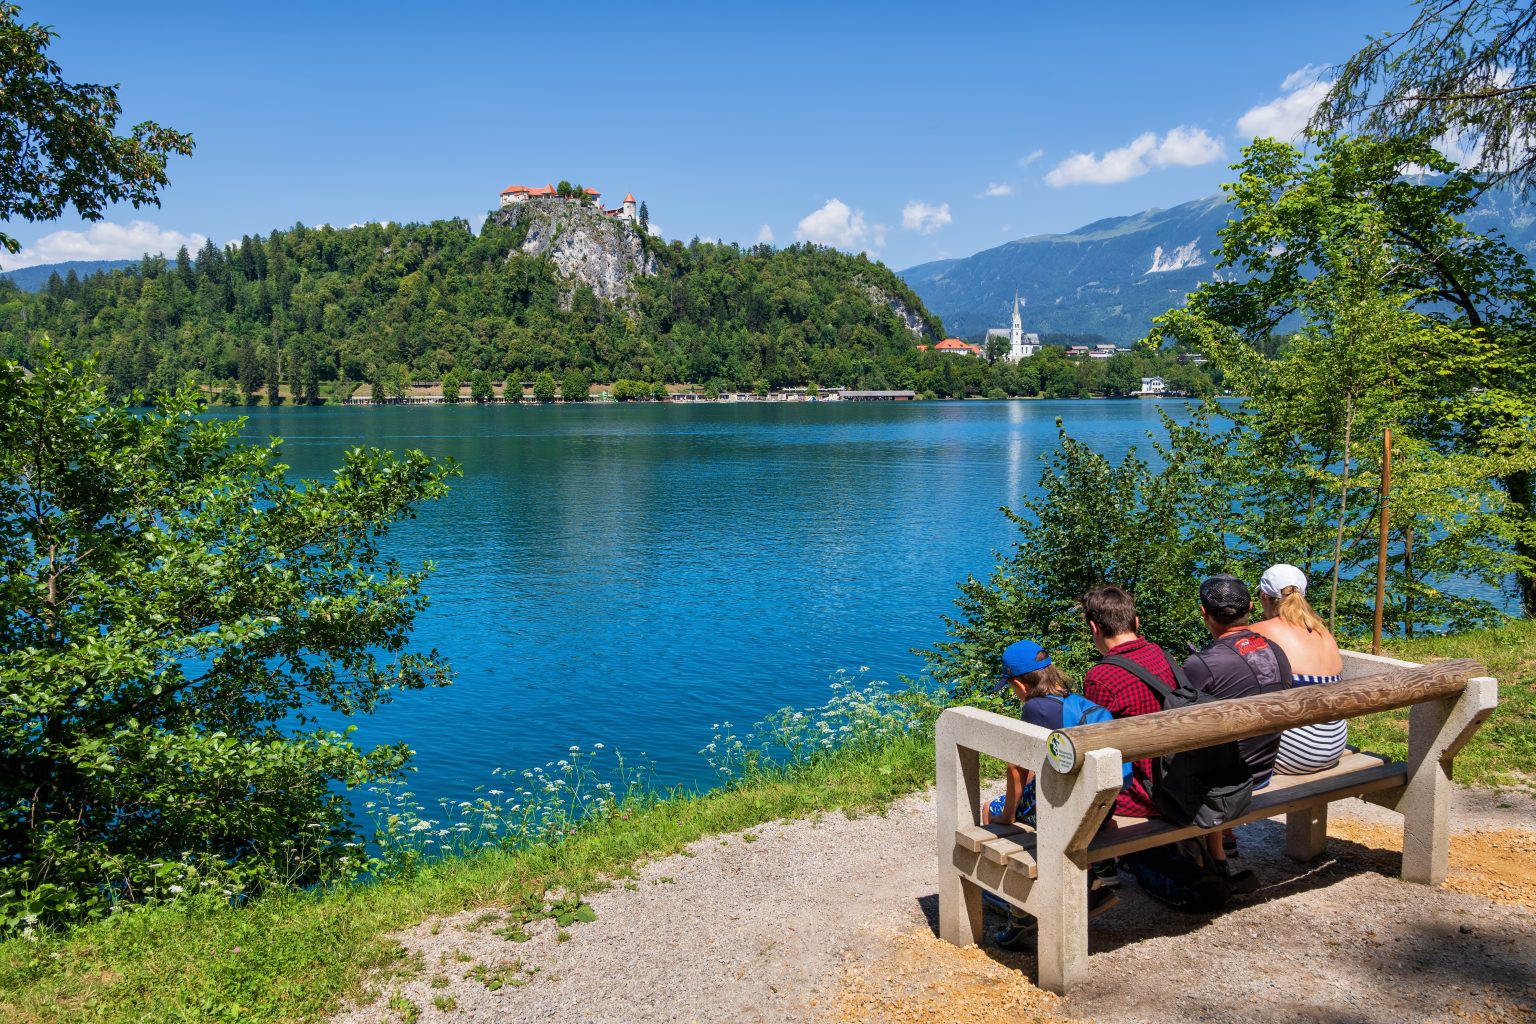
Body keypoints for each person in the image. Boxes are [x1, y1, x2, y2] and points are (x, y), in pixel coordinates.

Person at [983, 638, 1120, 951]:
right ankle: (1100, 875)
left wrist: (1006, 815)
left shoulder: (1035, 707)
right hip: (1102, 804)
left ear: (1019, 683)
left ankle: (1020, 913)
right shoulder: (1077, 702)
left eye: (1011, 687)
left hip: (1070, 807)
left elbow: (1017, 769)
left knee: (992, 810)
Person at [1182, 574, 1294, 874]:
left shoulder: (1201, 664)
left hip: (1227, 780)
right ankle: (1221, 842)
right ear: (1250, 609)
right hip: (1264, 767)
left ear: (1205, 614)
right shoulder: (1277, 651)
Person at [1079, 585, 1176, 822]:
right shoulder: (1163, 656)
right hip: (1179, 780)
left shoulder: (1102, 677)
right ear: (1136, 621)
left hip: (1145, 794)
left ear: (1094, 628)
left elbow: (1094, 746)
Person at [1247, 564, 1346, 774]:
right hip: (1335, 743)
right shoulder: (1323, 632)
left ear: (1264, 597)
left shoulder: (1258, 632)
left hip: (1297, 752)